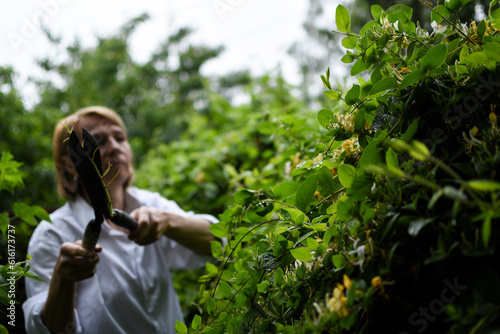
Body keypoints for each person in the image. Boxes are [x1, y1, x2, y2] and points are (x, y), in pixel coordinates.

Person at [23, 106, 221, 334]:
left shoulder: (150, 203)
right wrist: (62, 279)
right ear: (69, 163)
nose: (115, 147)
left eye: (120, 138)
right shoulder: (51, 234)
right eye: (98, 141)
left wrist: (166, 221)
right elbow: (45, 330)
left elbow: (217, 240)